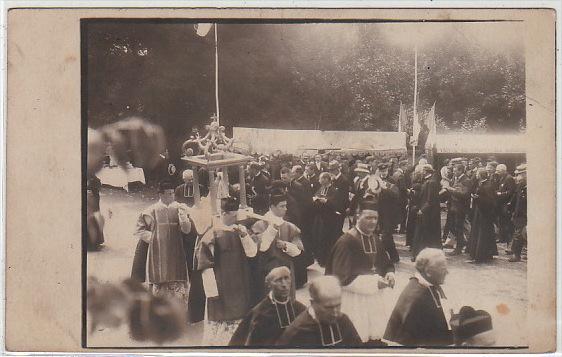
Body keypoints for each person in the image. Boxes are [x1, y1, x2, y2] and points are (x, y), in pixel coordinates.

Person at [326, 199, 395, 344]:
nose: (373, 221)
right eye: (368, 217)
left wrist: (389, 273)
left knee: (374, 337)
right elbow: (341, 279)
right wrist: (375, 283)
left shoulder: (376, 239)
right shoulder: (346, 242)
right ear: (357, 217)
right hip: (352, 301)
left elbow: (386, 263)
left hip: (374, 299)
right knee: (355, 338)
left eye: (375, 218)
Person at [195, 197, 258, 346]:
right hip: (221, 288)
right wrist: (212, 293)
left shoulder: (240, 232)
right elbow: (206, 267)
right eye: (233, 215)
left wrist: (245, 236)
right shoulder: (212, 235)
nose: (236, 218)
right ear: (223, 213)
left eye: (237, 215)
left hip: (240, 286)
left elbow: (252, 253)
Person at [131, 181, 192, 305]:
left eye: (173, 193)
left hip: (177, 248)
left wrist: (183, 218)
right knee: (159, 276)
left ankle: (178, 307)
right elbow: (139, 230)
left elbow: (187, 230)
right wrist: (153, 239)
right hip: (157, 250)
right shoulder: (151, 210)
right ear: (161, 195)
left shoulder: (180, 208)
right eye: (169, 193)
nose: (172, 196)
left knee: (177, 275)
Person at [384, 248, 453, 346]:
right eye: (443, 269)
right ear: (428, 272)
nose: (447, 272)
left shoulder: (424, 284)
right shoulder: (418, 295)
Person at [229, 266, 307, 346]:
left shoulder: (300, 309)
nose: (284, 284)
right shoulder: (259, 314)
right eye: (278, 280)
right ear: (269, 284)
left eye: (286, 278)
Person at [276, 276, 362, 346]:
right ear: (313, 303)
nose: (335, 313)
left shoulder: (343, 320)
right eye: (329, 307)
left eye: (338, 305)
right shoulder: (298, 331)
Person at [251, 193, 303, 301]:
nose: (285, 209)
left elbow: (298, 250)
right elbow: (261, 247)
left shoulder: (290, 226)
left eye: (286, 205)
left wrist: (285, 245)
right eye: (282, 206)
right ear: (272, 207)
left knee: (287, 300)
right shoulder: (259, 225)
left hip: (286, 268)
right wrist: (271, 230)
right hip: (267, 269)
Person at [311, 172, 344, 267]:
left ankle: (326, 260)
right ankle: (320, 258)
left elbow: (337, 204)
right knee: (318, 238)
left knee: (327, 239)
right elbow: (316, 195)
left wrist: (327, 201)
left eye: (321, 179)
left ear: (326, 179)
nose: (319, 180)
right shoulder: (321, 188)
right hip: (319, 218)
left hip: (329, 219)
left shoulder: (334, 190)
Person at [467, 168, 498, 263]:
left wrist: (478, 198)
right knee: (483, 233)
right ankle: (486, 254)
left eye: (477, 174)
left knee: (481, 234)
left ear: (480, 175)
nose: (476, 175)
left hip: (484, 214)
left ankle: (479, 256)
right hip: (480, 212)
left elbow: (490, 202)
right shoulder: (483, 184)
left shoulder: (487, 186)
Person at [411, 165, 442, 259]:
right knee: (422, 235)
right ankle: (418, 255)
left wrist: (422, 210)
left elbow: (430, 200)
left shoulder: (431, 182)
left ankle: (420, 255)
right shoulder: (427, 181)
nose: (421, 172)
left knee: (424, 235)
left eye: (423, 171)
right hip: (425, 212)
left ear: (426, 171)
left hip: (428, 214)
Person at [443, 163, 471, 255]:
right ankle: (463, 242)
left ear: (460, 170)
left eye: (455, 171)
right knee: (452, 226)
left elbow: (464, 194)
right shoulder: (455, 179)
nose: (454, 172)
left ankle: (459, 248)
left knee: (459, 227)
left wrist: (450, 189)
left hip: (460, 208)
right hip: (453, 207)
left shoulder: (466, 180)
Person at [376, 162, 401, 263]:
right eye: (381, 171)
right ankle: (391, 256)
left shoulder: (392, 180)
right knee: (384, 235)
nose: (383, 173)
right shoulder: (377, 180)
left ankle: (393, 256)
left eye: (385, 171)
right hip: (379, 211)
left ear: (388, 171)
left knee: (386, 236)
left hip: (389, 213)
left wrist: (385, 188)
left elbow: (396, 195)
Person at [507, 164, 527, 262]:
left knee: (521, 234)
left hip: (527, 214)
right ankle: (516, 254)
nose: (518, 177)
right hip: (519, 214)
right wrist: (511, 208)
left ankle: (519, 253)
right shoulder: (520, 185)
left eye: (520, 174)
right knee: (518, 234)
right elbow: (515, 198)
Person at [495, 164, 516, 244]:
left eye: (498, 171)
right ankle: (502, 237)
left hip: (506, 204)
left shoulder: (509, 178)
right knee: (501, 221)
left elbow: (511, 192)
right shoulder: (502, 178)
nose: (497, 173)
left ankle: (508, 239)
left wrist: (500, 194)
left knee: (507, 222)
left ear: (504, 171)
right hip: (501, 203)